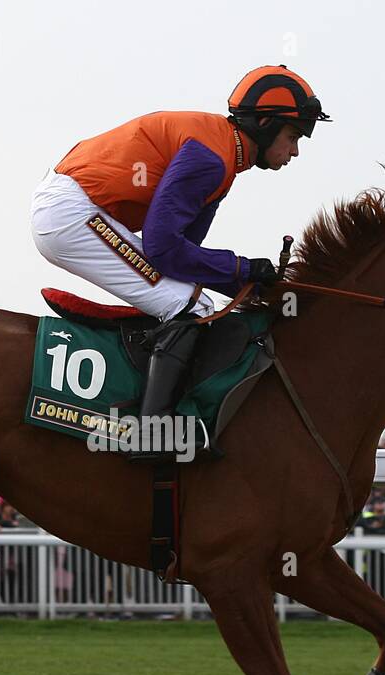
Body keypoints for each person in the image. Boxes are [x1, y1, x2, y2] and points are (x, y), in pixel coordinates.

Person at [31, 65, 330, 460]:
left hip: (76, 209)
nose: (294, 151)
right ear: (263, 123)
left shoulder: (224, 155)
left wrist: (254, 284)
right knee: (190, 304)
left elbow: (182, 257)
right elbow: (164, 249)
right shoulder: (212, 157)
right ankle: (151, 433)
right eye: (293, 136)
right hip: (70, 214)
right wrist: (243, 269)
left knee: (187, 296)